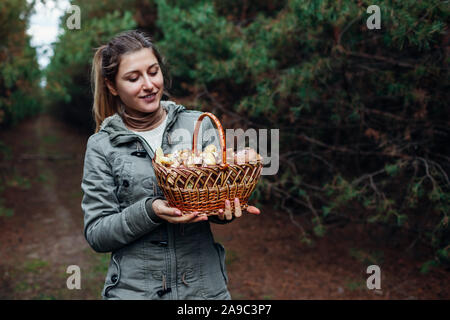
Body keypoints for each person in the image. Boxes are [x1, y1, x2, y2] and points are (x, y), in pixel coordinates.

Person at [81, 30, 260, 300]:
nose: (149, 84)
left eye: (153, 72)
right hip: (135, 292)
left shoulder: (198, 125)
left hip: (203, 291)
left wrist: (223, 211)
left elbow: (215, 192)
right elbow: (97, 233)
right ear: (112, 86)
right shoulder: (102, 146)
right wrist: (150, 211)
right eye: (133, 78)